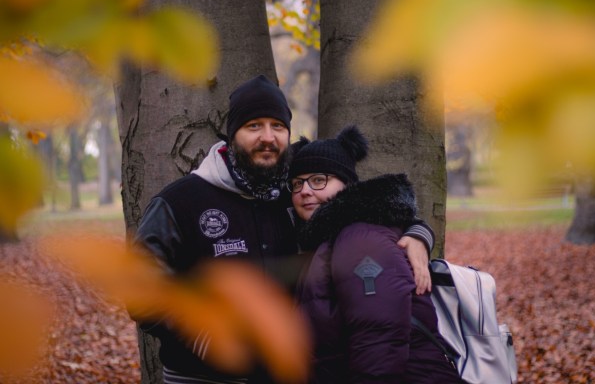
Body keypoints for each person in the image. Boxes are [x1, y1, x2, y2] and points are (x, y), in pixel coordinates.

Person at [133, 75, 436, 384]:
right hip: (200, 377)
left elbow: (365, 209)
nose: (268, 137)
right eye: (254, 126)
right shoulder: (180, 201)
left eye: (277, 126)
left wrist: (417, 234)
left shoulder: (294, 195)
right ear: (231, 135)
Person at [290, 126, 463, 384]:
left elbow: (379, 344)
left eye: (318, 180)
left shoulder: (360, 238)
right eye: (297, 183)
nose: (304, 190)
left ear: (347, 185)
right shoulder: (330, 239)